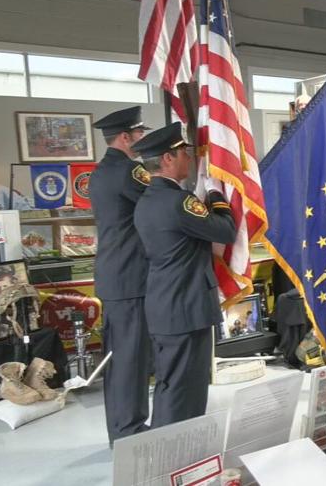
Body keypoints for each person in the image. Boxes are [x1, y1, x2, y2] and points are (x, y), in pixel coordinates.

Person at [132, 122, 236, 428]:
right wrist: (216, 193)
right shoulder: (179, 203)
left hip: (166, 304)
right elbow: (226, 230)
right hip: (186, 307)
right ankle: (171, 459)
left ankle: (167, 454)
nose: (189, 159)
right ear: (167, 159)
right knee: (185, 390)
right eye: (183, 154)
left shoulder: (146, 201)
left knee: (171, 385)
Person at [88, 106, 152, 443]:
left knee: (121, 356)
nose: (143, 139)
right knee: (131, 357)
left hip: (116, 273)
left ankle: (122, 429)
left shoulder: (101, 171)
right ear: (126, 137)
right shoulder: (129, 171)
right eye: (140, 133)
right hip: (130, 275)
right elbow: (159, 202)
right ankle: (130, 431)